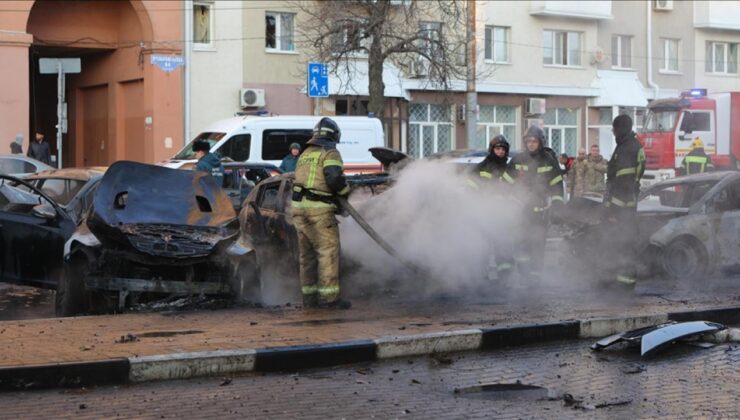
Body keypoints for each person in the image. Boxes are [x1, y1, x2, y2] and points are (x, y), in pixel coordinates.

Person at [291, 117, 351, 309]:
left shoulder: (305, 153)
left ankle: (309, 300)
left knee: (306, 257)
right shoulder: (330, 152)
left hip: (299, 210)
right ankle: (330, 300)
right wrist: (344, 193)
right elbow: (334, 177)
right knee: (328, 253)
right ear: (334, 136)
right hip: (319, 210)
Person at [508, 125, 564, 280]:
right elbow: (506, 183)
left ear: (541, 142)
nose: (531, 144)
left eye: (534, 141)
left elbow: (557, 185)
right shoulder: (517, 160)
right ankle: (525, 275)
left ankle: (535, 279)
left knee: (538, 246)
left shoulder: (549, 161)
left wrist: (558, 205)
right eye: (528, 141)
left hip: (541, 212)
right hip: (521, 212)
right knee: (522, 244)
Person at [603, 114, 645, 287]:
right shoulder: (630, 145)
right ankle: (624, 281)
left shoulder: (627, 148)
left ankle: (624, 285)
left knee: (622, 244)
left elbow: (622, 183)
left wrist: (612, 210)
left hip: (622, 210)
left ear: (621, 129)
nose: (613, 131)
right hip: (628, 208)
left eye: (614, 128)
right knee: (624, 244)